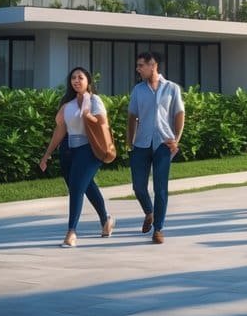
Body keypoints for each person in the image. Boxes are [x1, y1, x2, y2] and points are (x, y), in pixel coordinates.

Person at [39, 67, 115, 248]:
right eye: (73, 78)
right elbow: (60, 132)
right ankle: (106, 220)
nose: (77, 81)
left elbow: (103, 123)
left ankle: (71, 231)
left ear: (88, 81)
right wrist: (47, 154)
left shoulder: (94, 100)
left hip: (89, 149)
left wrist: (87, 114)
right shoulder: (67, 105)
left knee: (76, 187)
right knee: (86, 186)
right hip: (68, 151)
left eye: (80, 77)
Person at [127, 51, 185, 244]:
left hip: (163, 143)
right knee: (138, 186)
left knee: (160, 188)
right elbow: (132, 117)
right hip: (141, 144)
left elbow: (179, 114)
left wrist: (176, 139)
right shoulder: (138, 90)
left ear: (153, 65)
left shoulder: (172, 88)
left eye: (140, 65)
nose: (138, 69)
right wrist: (130, 142)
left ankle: (158, 228)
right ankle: (149, 212)